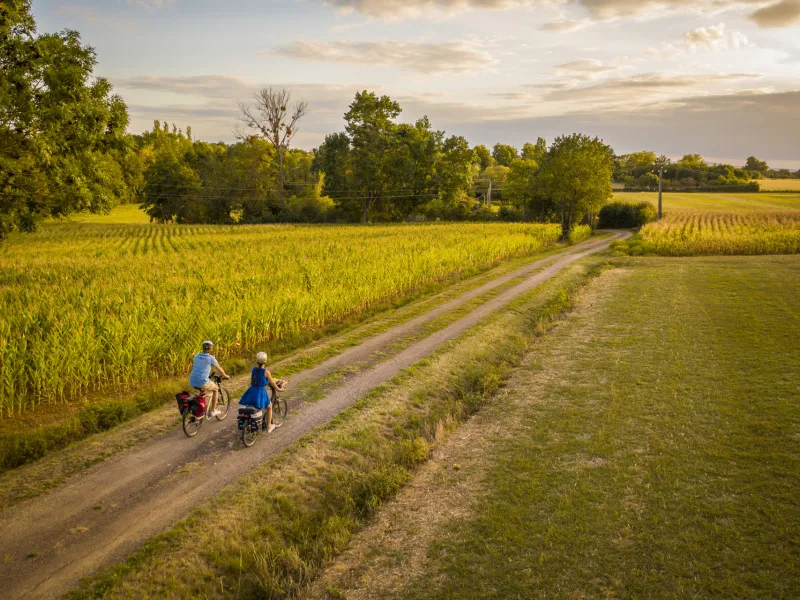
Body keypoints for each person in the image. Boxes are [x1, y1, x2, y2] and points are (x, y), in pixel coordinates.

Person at [239, 351, 285, 433]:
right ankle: (268, 427)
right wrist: (279, 389)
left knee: (250, 406)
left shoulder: (253, 369)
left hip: (252, 390)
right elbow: (272, 382)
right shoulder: (266, 372)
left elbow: (258, 377)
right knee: (269, 407)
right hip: (260, 392)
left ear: (257, 361)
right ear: (265, 361)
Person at [189, 340, 230, 417]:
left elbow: (200, 367)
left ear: (203, 348)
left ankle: (201, 408)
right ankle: (213, 410)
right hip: (202, 381)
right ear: (211, 348)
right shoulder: (211, 358)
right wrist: (225, 375)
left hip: (192, 381)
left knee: (203, 391)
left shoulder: (196, 356)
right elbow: (219, 368)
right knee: (216, 389)